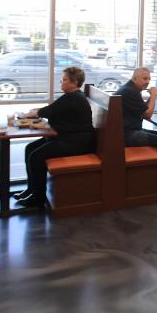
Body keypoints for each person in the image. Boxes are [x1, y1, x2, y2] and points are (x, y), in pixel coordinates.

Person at [15, 67, 95, 208]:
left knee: (36, 156)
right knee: (30, 148)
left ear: (74, 82)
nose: (61, 83)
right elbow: (53, 110)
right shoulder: (71, 97)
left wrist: (30, 114)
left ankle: (38, 197)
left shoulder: (73, 98)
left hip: (76, 142)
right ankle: (31, 189)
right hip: (66, 137)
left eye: (64, 80)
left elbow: (47, 111)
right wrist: (38, 112)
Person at [117, 67, 157, 152]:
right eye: (144, 79)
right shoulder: (131, 92)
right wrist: (153, 96)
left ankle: (156, 163)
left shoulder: (129, 88)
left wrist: (151, 97)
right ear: (134, 79)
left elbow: (143, 109)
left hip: (126, 130)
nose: (148, 82)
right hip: (127, 134)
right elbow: (148, 114)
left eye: (149, 79)